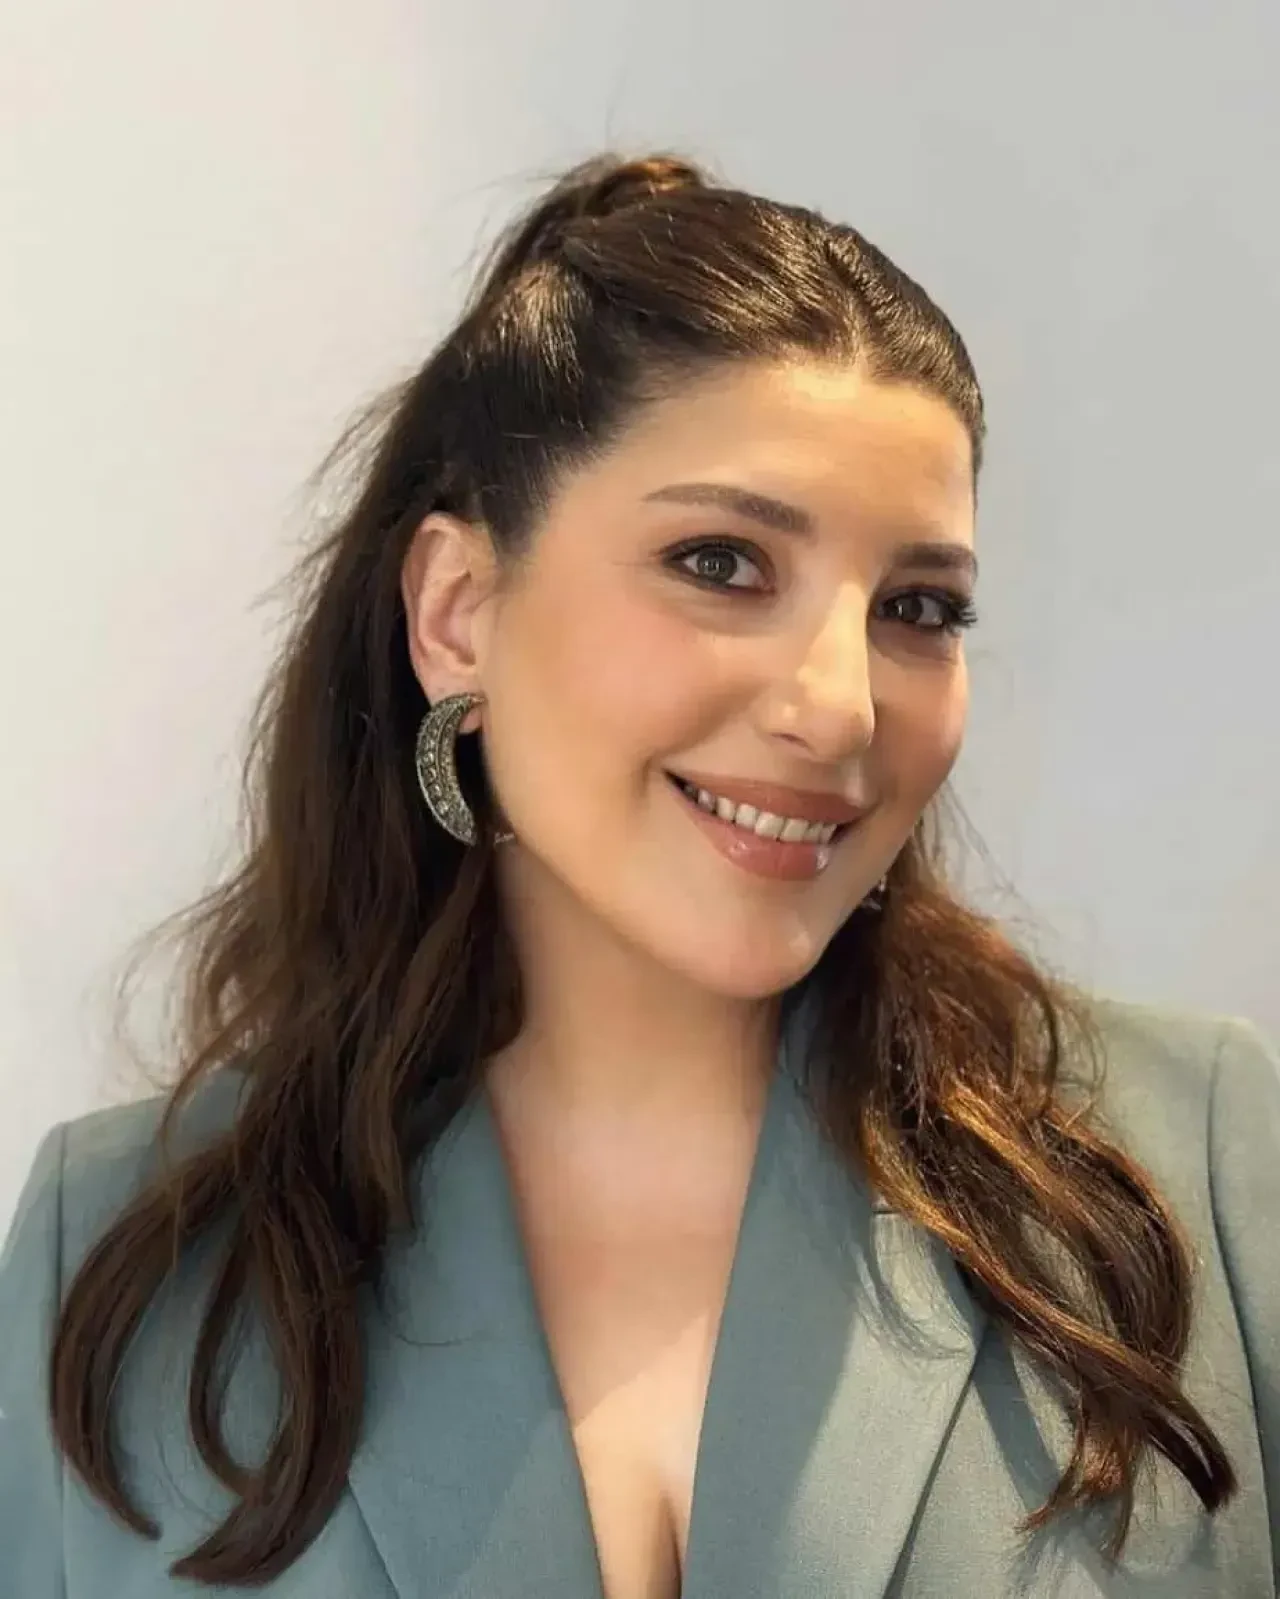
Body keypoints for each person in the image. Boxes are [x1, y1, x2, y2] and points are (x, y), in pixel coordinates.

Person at [0, 151, 1276, 1599]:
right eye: (722, 563)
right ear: (458, 611)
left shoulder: (1198, 1172)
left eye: (920, 607)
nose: (841, 706)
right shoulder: (122, 1255)